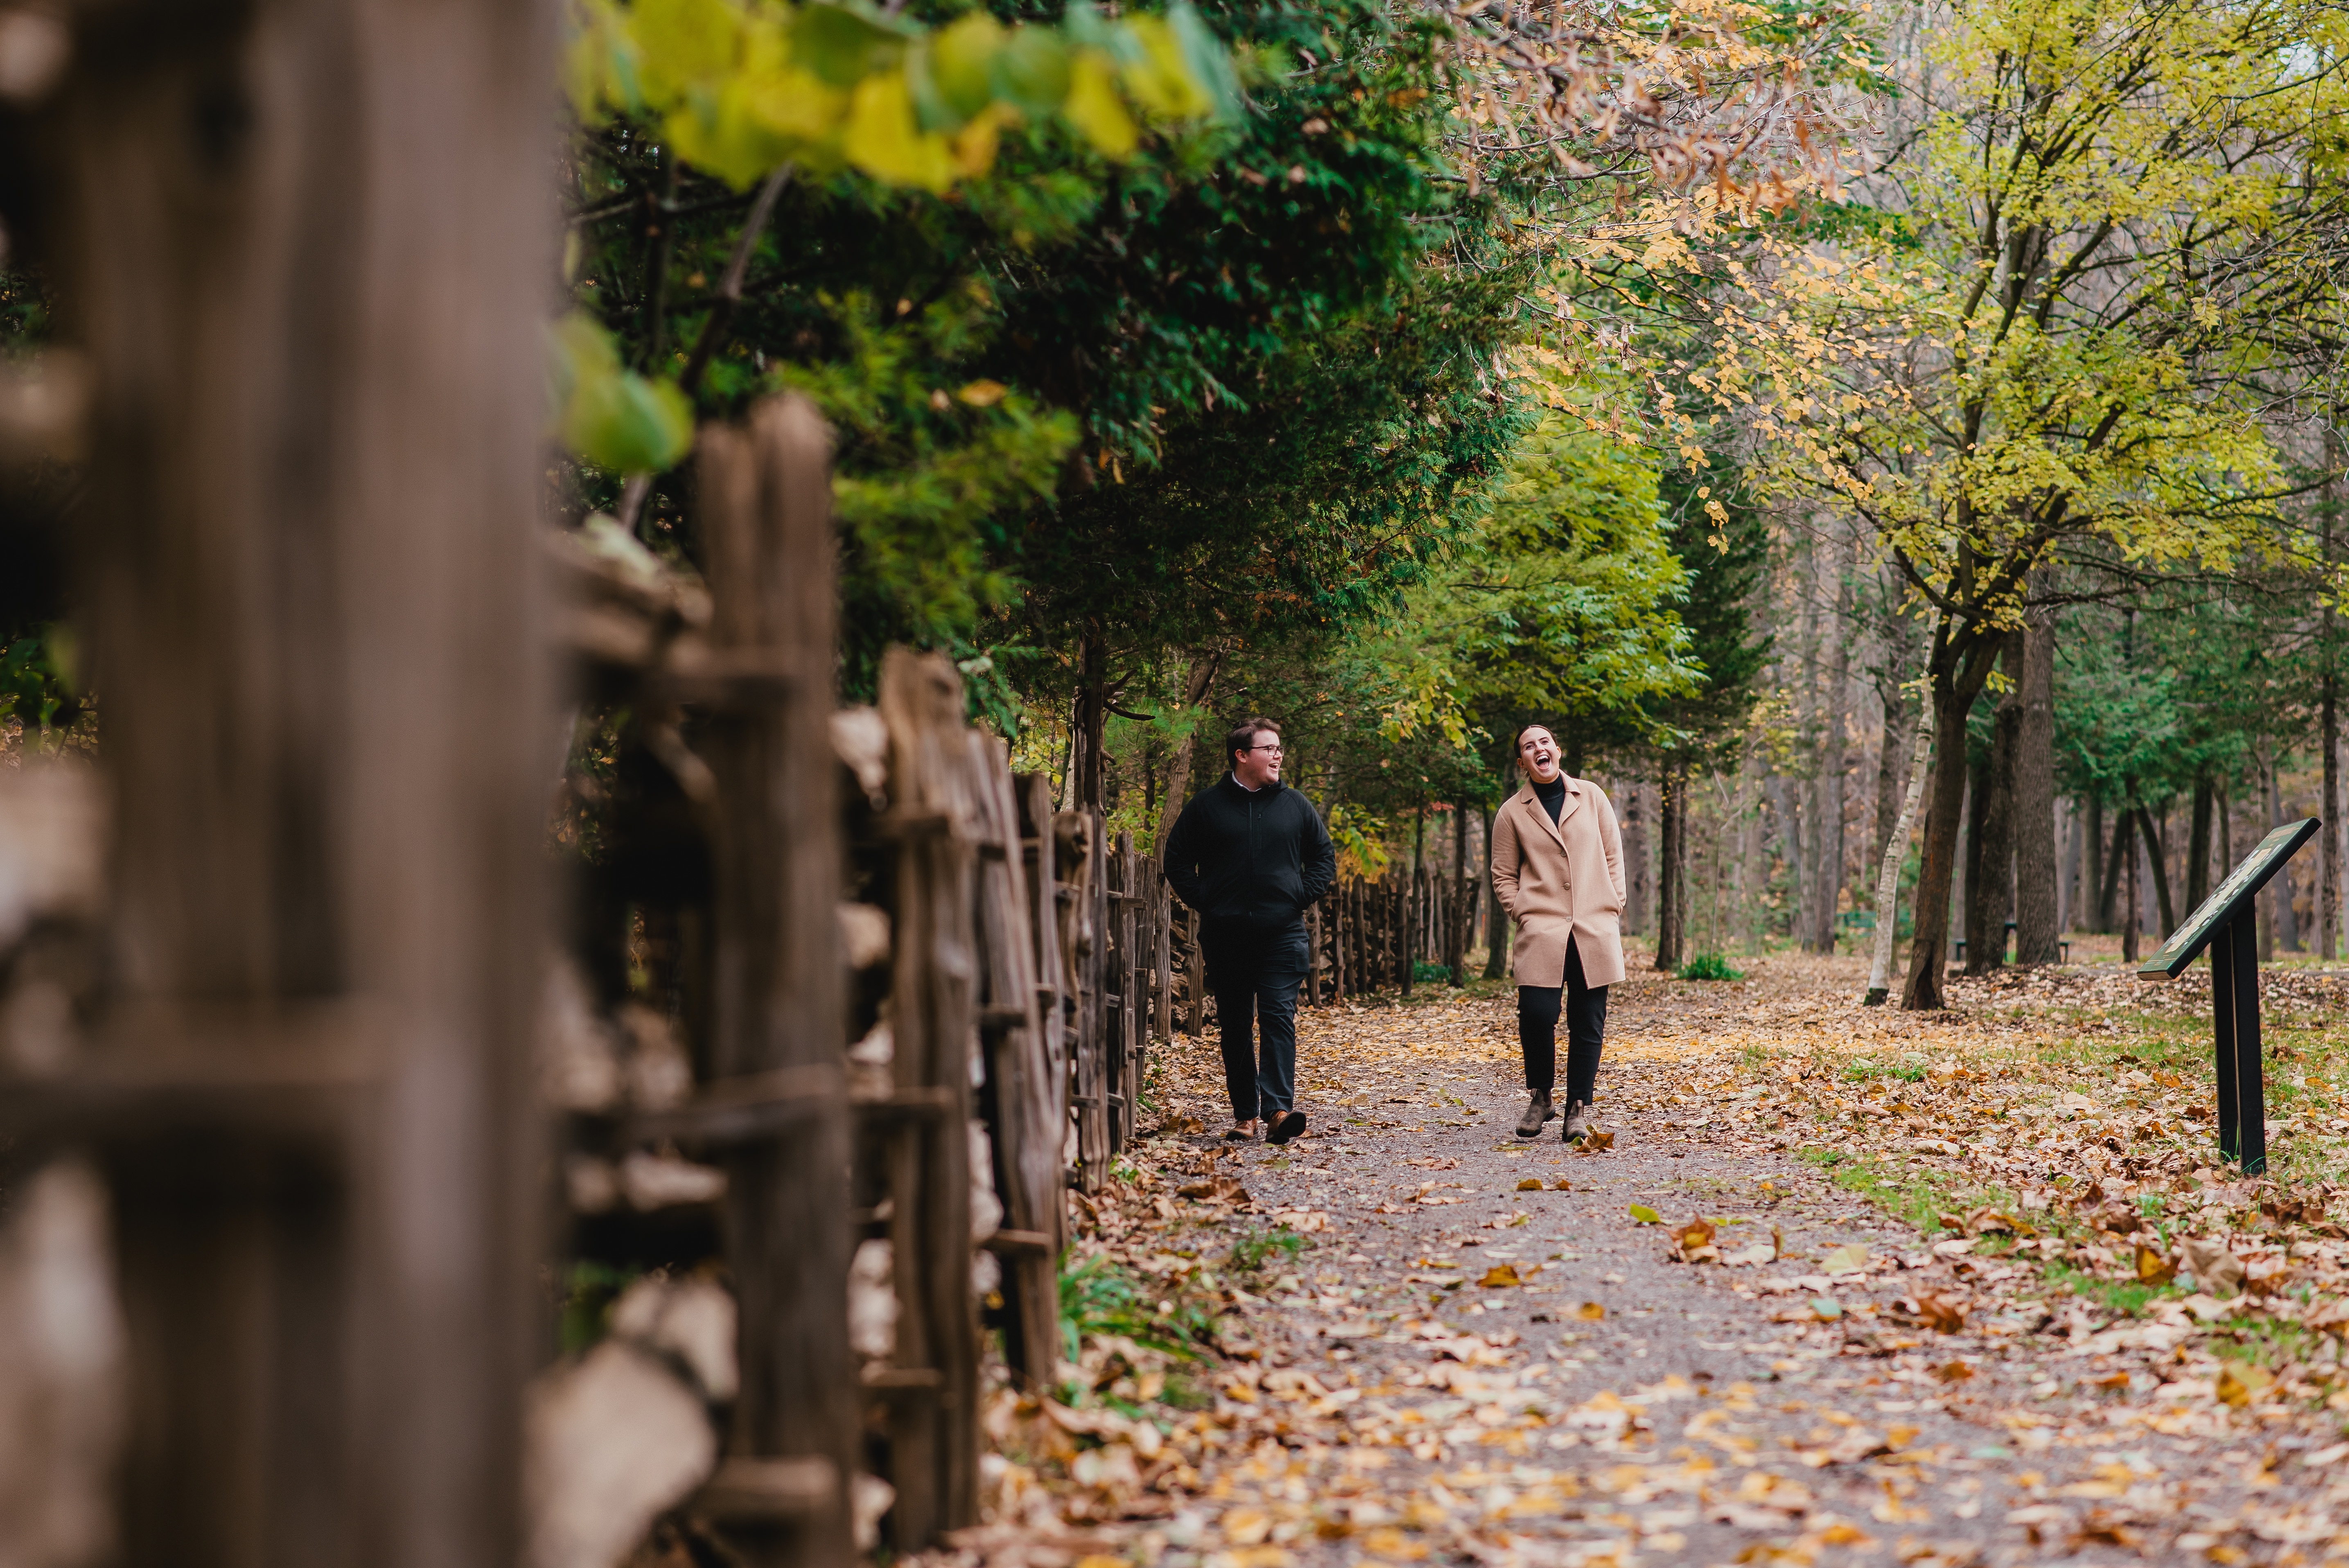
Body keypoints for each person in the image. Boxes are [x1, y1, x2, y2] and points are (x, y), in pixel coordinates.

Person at [1162, 717, 1337, 1144]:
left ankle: (1277, 1110)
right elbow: (1176, 859)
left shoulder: (1295, 805)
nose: (1278, 755)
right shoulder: (1207, 806)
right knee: (1237, 1025)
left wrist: (1298, 895)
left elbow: (1323, 858)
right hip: (1227, 937)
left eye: (1280, 748)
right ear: (1242, 756)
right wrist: (1209, 901)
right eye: (1269, 749)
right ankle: (1246, 1114)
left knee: (1279, 1018)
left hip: (1283, 935)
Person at [1488, 723, 1626, 1142]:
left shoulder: (1593, 796)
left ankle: (1577, 1109)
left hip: (1593, 926)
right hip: (1542, 929)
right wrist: (1523, 913)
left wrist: (1613, 905)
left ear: (1558, 751)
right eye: (1529, 746)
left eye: (1544, 742)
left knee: (1588, 1021)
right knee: (1536, 1015)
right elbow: (1502, 875)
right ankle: (1542, 1096)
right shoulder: (1512, 812)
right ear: (1522, 762)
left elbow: (1613, 854)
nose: (1539, 749)